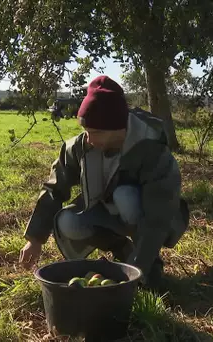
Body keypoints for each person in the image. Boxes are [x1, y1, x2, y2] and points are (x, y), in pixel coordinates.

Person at [19, 75, 189, 286]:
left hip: (148, 217)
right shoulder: (79, 147)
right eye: (85, 131)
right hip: (107, 212)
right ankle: (121, 249)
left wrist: (139, 269)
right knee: (67, 221)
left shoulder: (152, 150)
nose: (88, 139)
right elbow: (55, 189)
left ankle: (145, 262)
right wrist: (35, 240)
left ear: (119, 129)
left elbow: (158, 215)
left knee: (125, 196)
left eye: (96, 132)